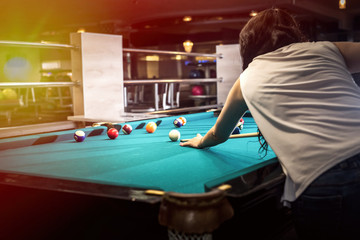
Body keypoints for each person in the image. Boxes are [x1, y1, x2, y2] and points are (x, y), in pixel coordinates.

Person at [180, 8, 360, 240]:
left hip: (326, 177)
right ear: (294, 34)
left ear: (248, 45)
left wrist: (200, 142)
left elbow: (218, 134)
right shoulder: (326, 49)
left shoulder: (245, 79)